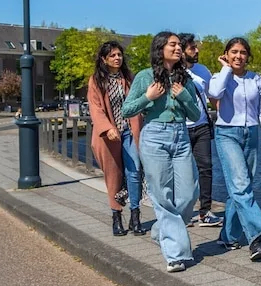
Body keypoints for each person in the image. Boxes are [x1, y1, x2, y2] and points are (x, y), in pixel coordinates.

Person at [122, 32, 201, 273]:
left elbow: (196, 115)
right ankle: (175, 255)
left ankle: (160, 230)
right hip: (155, 136)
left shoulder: (184, 78)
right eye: (173, 44)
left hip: (181, 136)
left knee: (189, 193)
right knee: (162, 195)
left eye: (179, 45)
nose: (178, 49)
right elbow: (127, 109)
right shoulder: (145, 76)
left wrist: (185, 96)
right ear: (160, 48)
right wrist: (148, 97)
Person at [207, 36, 261, 262]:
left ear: (248, 56)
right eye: (234, 52)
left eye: (243, 52)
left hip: (251, 134)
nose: (238, 56)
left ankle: (228, 236)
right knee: (240, 185)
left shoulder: (257, 79)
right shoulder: (219, 77)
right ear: (226, 54)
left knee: (241, 187)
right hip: (227, 133)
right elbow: (214, 94)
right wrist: (225, 69)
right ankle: (256, 235)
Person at [87, 40, 144, 236]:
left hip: (129, 131)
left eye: (119, 54)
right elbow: (95, 108)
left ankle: (135, 216)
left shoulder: (128, 78)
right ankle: (116, 216)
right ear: (104, 59)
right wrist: (107, 127)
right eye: (112, 55)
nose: (117, 58)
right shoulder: (96, 81)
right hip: (109, 135)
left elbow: (138, 101)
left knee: (134, 171)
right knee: (113, 176)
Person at [178, 33, 221, 228]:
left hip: (202, 126)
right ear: (182, 51)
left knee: (206, 168)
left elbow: (213, 98)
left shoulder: (203, 70)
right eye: (192, 48)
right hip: (181, 127)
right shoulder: (173, 72)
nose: (196, 51)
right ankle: (183, 212)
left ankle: (205, 212)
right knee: (182, 171)